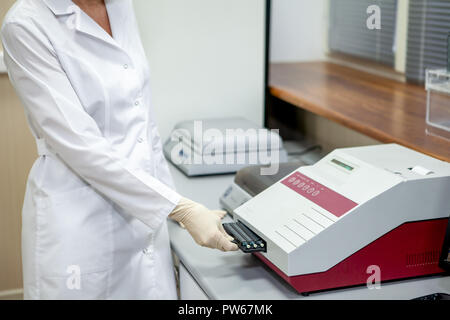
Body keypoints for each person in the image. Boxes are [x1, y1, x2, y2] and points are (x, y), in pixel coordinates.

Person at [1, 0, 237, 300]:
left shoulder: (119, 6)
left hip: (142, 217)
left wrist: (173, 204)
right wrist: (179, 208)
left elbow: (142, 124)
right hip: (81, 223)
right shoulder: (25, 24)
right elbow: (81, 146)